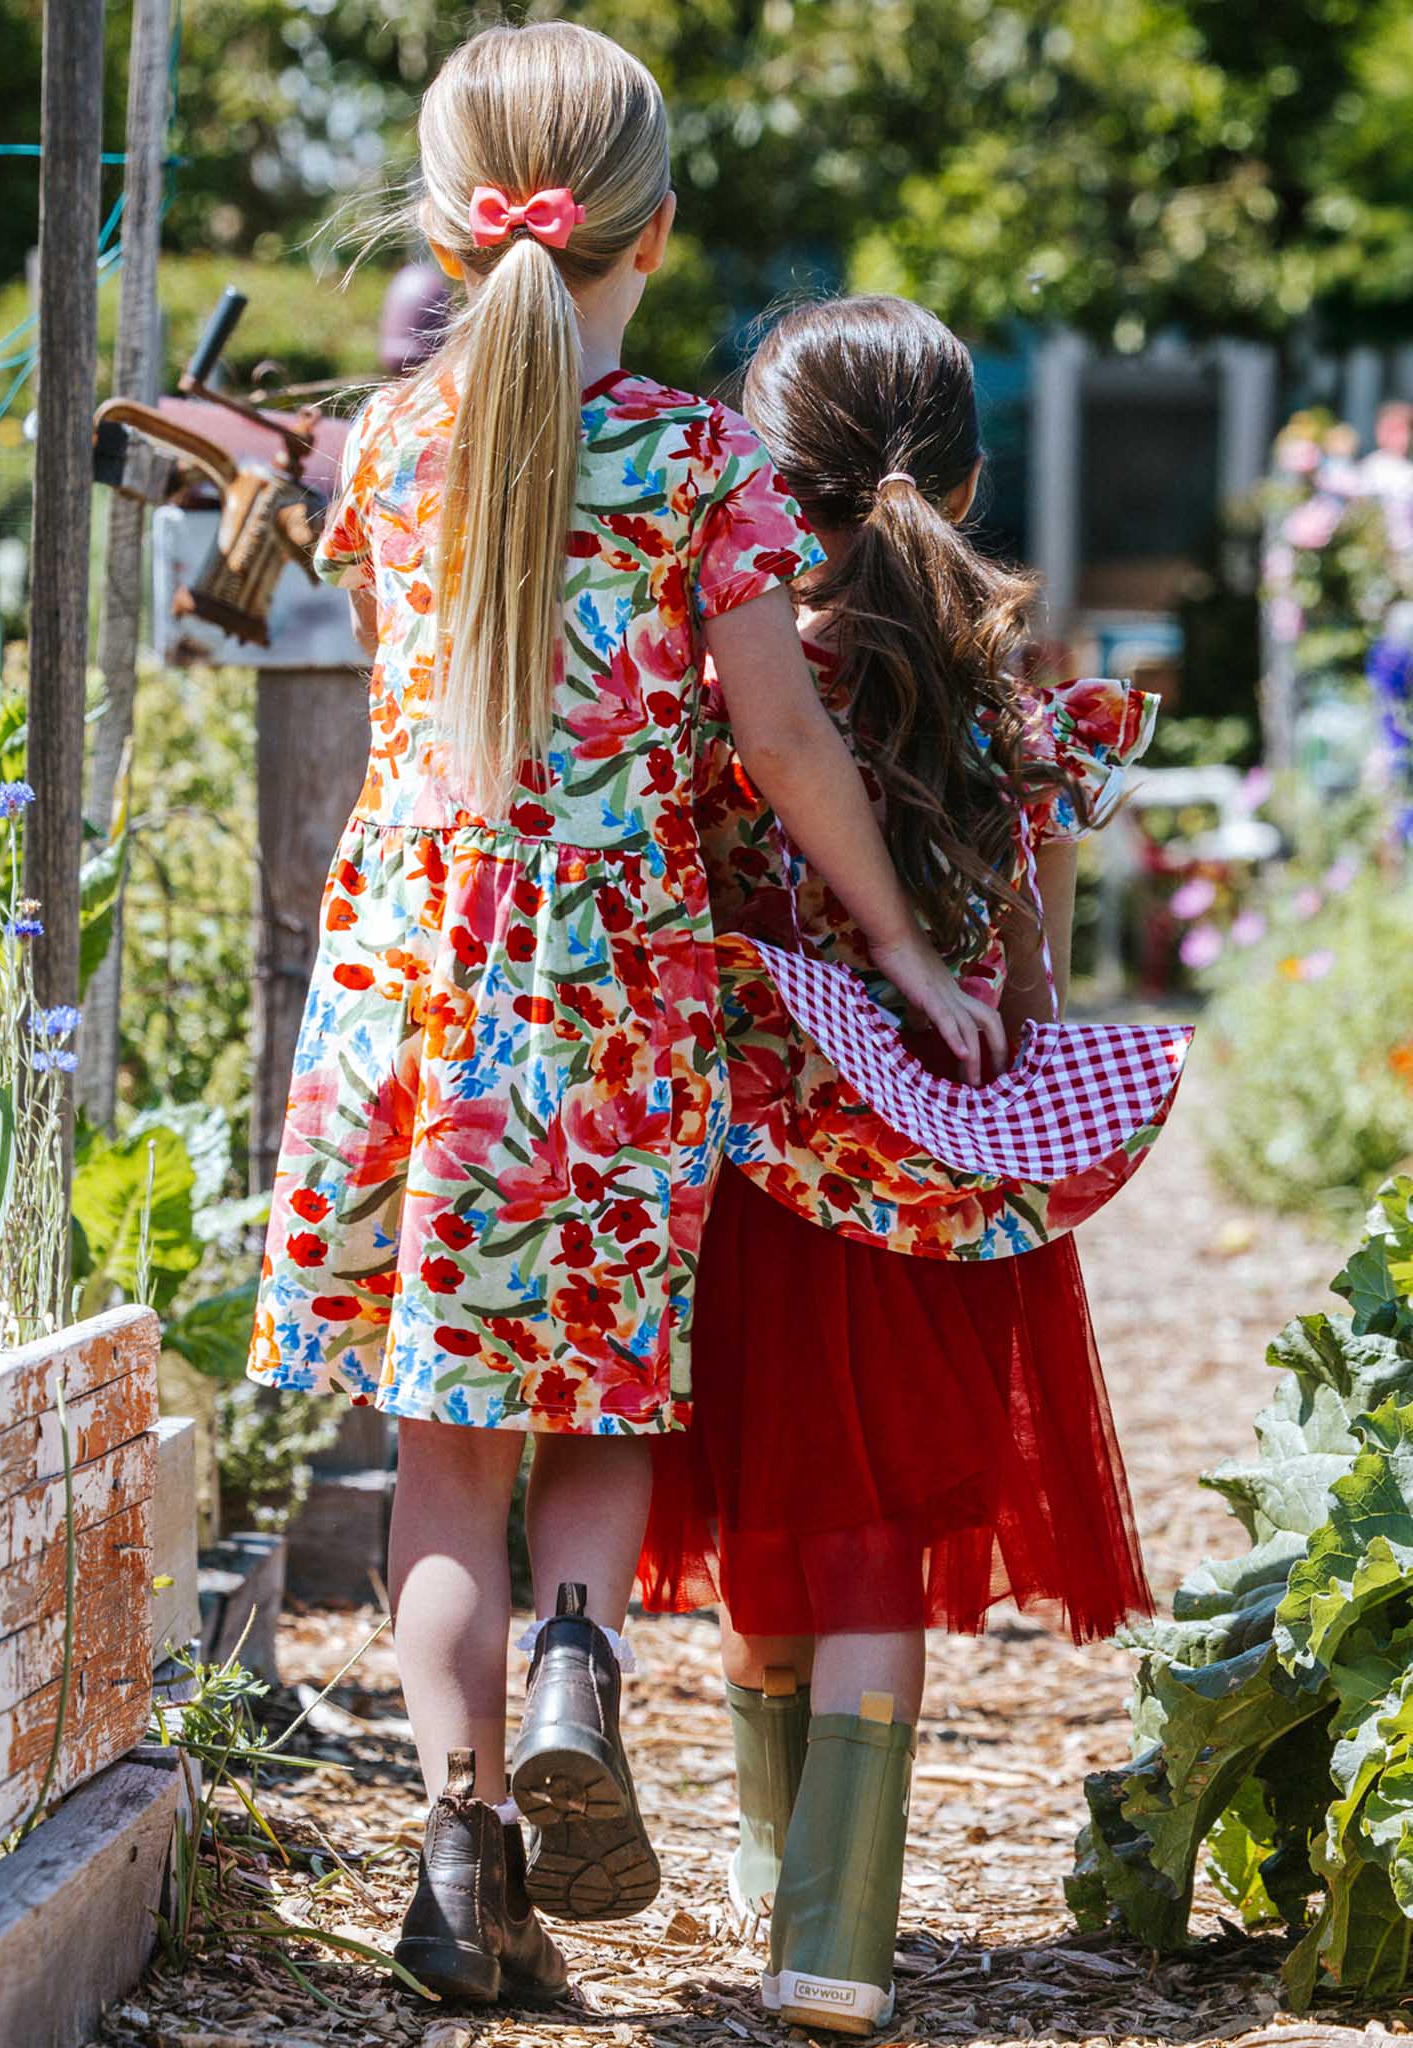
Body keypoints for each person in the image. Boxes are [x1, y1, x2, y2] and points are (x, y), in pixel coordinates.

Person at [245, 29, 996, 2009]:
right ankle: (581, 1651)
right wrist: (909, 947)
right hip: (607, 1007)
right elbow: (784, 737)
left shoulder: (394, 445)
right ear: (653, 234)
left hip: (410, 994)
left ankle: (460, 1856)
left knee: (440, 1457)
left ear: (442, 223)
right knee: (596, 1413)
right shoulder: (689, 461)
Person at [638, 295, 1161, 2036]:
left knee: (769, 1521)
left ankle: (773, 1878)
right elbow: (1030, 980)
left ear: (759, 471)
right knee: (876, 1545)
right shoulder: (1009, 701)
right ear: (973, 470)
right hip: (938, 1193)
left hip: (755, 1176)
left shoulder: (742, 679)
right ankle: (839, 1936)